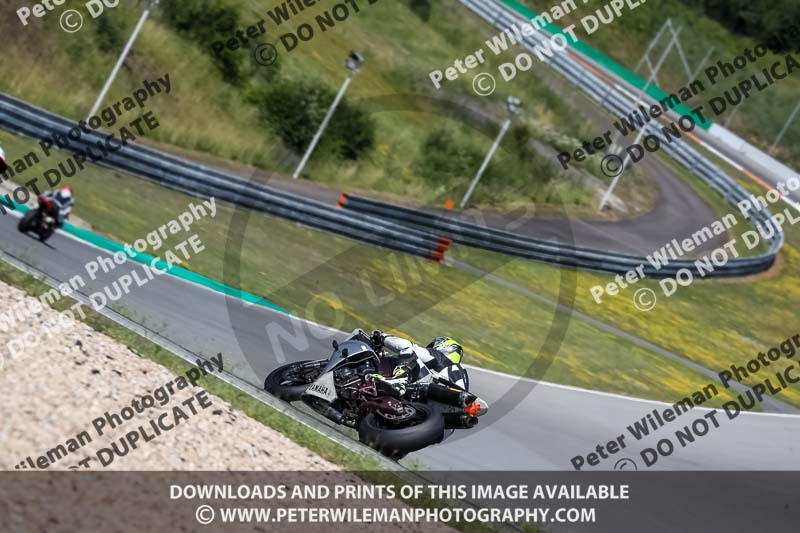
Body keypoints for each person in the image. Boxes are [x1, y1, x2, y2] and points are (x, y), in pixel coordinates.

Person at [367, 330, 469, 391]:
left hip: (437, 392)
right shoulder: (460, 373)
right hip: (445, 408)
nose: (430, 348)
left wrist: (383, 337)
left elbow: (408, 346)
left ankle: (400, 379)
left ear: (446, 347)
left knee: (410, 352)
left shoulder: (440, 357)